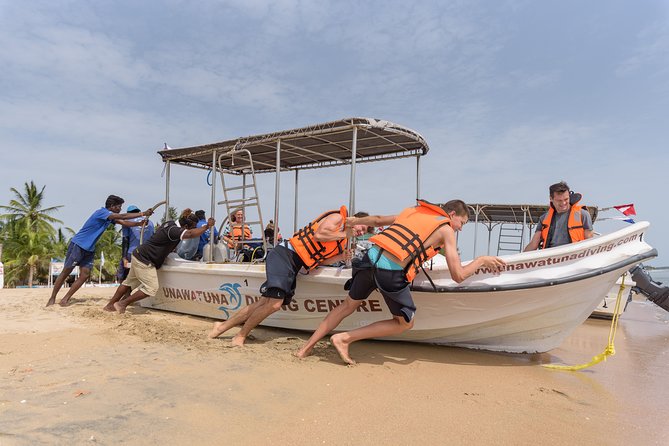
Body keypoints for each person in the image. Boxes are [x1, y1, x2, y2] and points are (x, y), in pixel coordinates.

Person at [295, 199, 506, 364]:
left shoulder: (414, 211)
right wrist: (481, 260)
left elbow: (377, 220)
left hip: (368, 259)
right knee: (405, 322)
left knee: (347, 306)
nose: (460, 228)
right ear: (452, 215)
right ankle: (344, 339)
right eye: (462, 223)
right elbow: (458, 275)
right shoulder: (446, 230)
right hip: (389, 270)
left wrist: (353, 221)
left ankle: (305, 349)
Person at [208, 206, 376, 346]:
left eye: (364, 232)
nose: (361, 233)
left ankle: (221, 327)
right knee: (274, 304)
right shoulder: (337, 218)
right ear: (356, 220)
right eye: (362, 228)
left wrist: (340, 257)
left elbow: (322, 259)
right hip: (284, 254)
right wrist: (344, 235)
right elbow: (319, 235)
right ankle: (240, 335)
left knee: (265, 302)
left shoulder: (343, 240)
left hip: (294, 264)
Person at [46, 195, 152, 307]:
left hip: (90, 249)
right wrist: (142, 214)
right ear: (111, 206)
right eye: (119, 206)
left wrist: (138, 224)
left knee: (85, 275)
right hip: (78, 245)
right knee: (66, 271)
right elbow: (123, 216)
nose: (120, 209)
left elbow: (124, 222)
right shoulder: (101, 212)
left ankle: (65, 299)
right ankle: (52, 298)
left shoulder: (109, 218)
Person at [103, 212, 215, 313]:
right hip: (146, 260)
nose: (194, 229)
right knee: (151, 288)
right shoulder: (173, 230)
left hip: (139, 254)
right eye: (193, 227)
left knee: (128, 283)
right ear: (185, 227)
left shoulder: (169, 223)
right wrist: (206, 227)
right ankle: (123, 303)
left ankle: (109, 306)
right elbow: (190, 234)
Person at [524, 181, 593, 251]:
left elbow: (589, 239)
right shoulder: (544, 219)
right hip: (552, 257)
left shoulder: (582, 215)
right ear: (551, 198)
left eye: (566, 199)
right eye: (559, 200)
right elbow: (534, 244)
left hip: (575, 254)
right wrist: (519, 258)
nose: (563, 203)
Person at [117, 204, 155, 282]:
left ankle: (125, 293)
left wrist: (124, 258)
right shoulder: (150, 223)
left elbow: (125, 240)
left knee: (125, 278)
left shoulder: (127, 222)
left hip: (132, 253)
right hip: (147, 254)